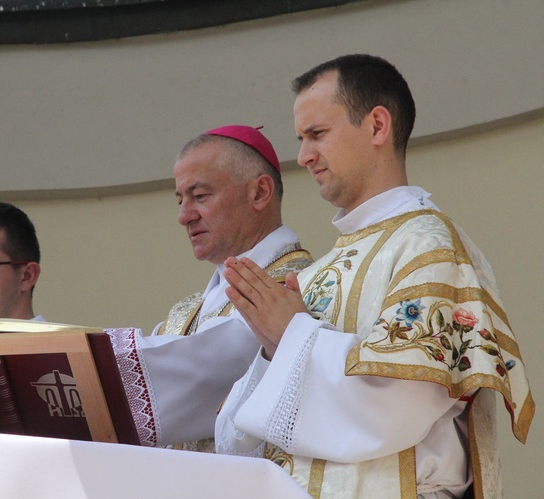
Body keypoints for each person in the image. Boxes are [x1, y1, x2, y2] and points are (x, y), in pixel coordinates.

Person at [216, 55, 535, 498]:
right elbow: (241, 437)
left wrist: (293, 336)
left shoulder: (428, 244)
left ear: (378, 126)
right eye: (301, 139)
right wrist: (274, 350)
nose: (304, 156)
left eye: (317, 134)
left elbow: (394, 408)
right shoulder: (320, 271)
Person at [107, 125, 313, 450]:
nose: (184, 216)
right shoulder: (186, 311)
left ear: (259, 193)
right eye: (180, 200)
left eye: (200, 196)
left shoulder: (300, 286)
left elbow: (205, 369)